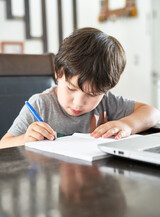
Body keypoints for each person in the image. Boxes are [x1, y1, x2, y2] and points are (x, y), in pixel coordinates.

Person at [0, 27, 160, 149]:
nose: (78, 103)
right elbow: (3, 144)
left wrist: (127, 125)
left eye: (92, 94)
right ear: (57, 74)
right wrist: (25, 139)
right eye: (70, 89)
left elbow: (152, 113)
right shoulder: (40, 105)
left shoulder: (107, 102)